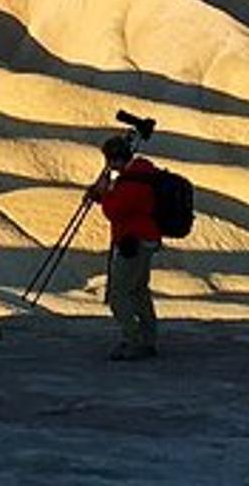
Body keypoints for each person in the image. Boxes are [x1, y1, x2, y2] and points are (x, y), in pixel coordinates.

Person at [88, 134, 160, 360]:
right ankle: (148, 339)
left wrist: (105, 193)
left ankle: (133, 340)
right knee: (139, 290)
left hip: (133, 241)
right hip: (146, 238)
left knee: (118, 294)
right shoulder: (144, 173)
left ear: (116, 159)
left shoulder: (132, 181)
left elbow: (115, 210)